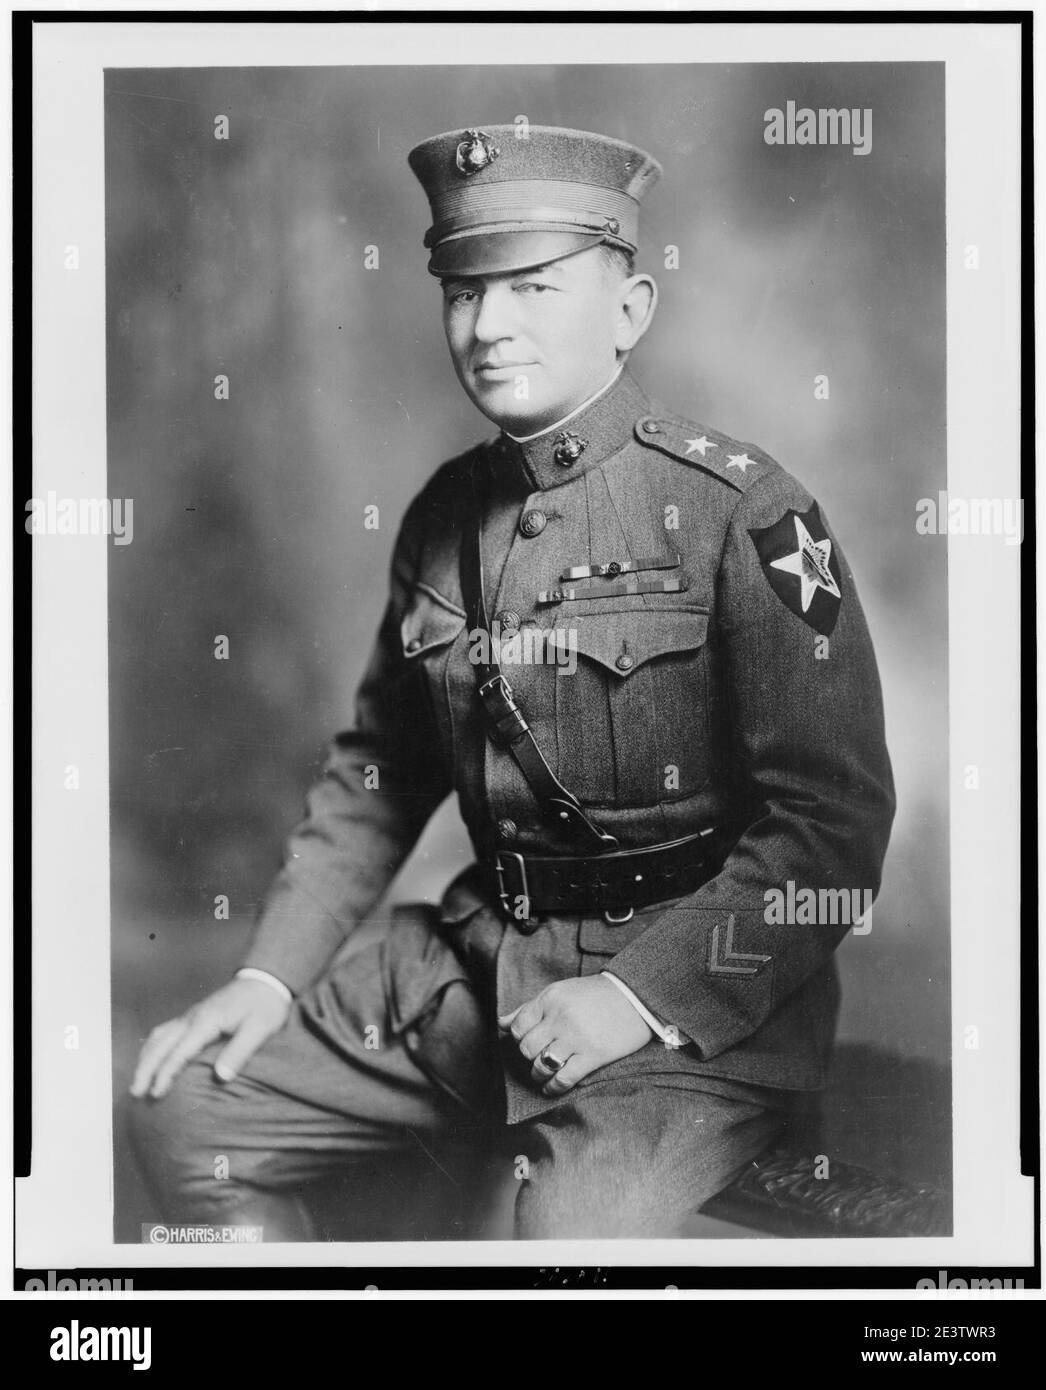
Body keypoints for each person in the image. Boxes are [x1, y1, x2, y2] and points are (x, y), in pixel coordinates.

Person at [129, 124, 895, 1239]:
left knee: (564, 1251)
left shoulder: (747, 515)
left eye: (532, 286)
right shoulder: (444, 515)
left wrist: (636, 998)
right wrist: (267, 978)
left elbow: (830, 825)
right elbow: (375, 776)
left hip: (682, 1026)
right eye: (463, 291)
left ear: (629, 310)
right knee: (184, 1112)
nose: (488, 327)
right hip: (470, 969)